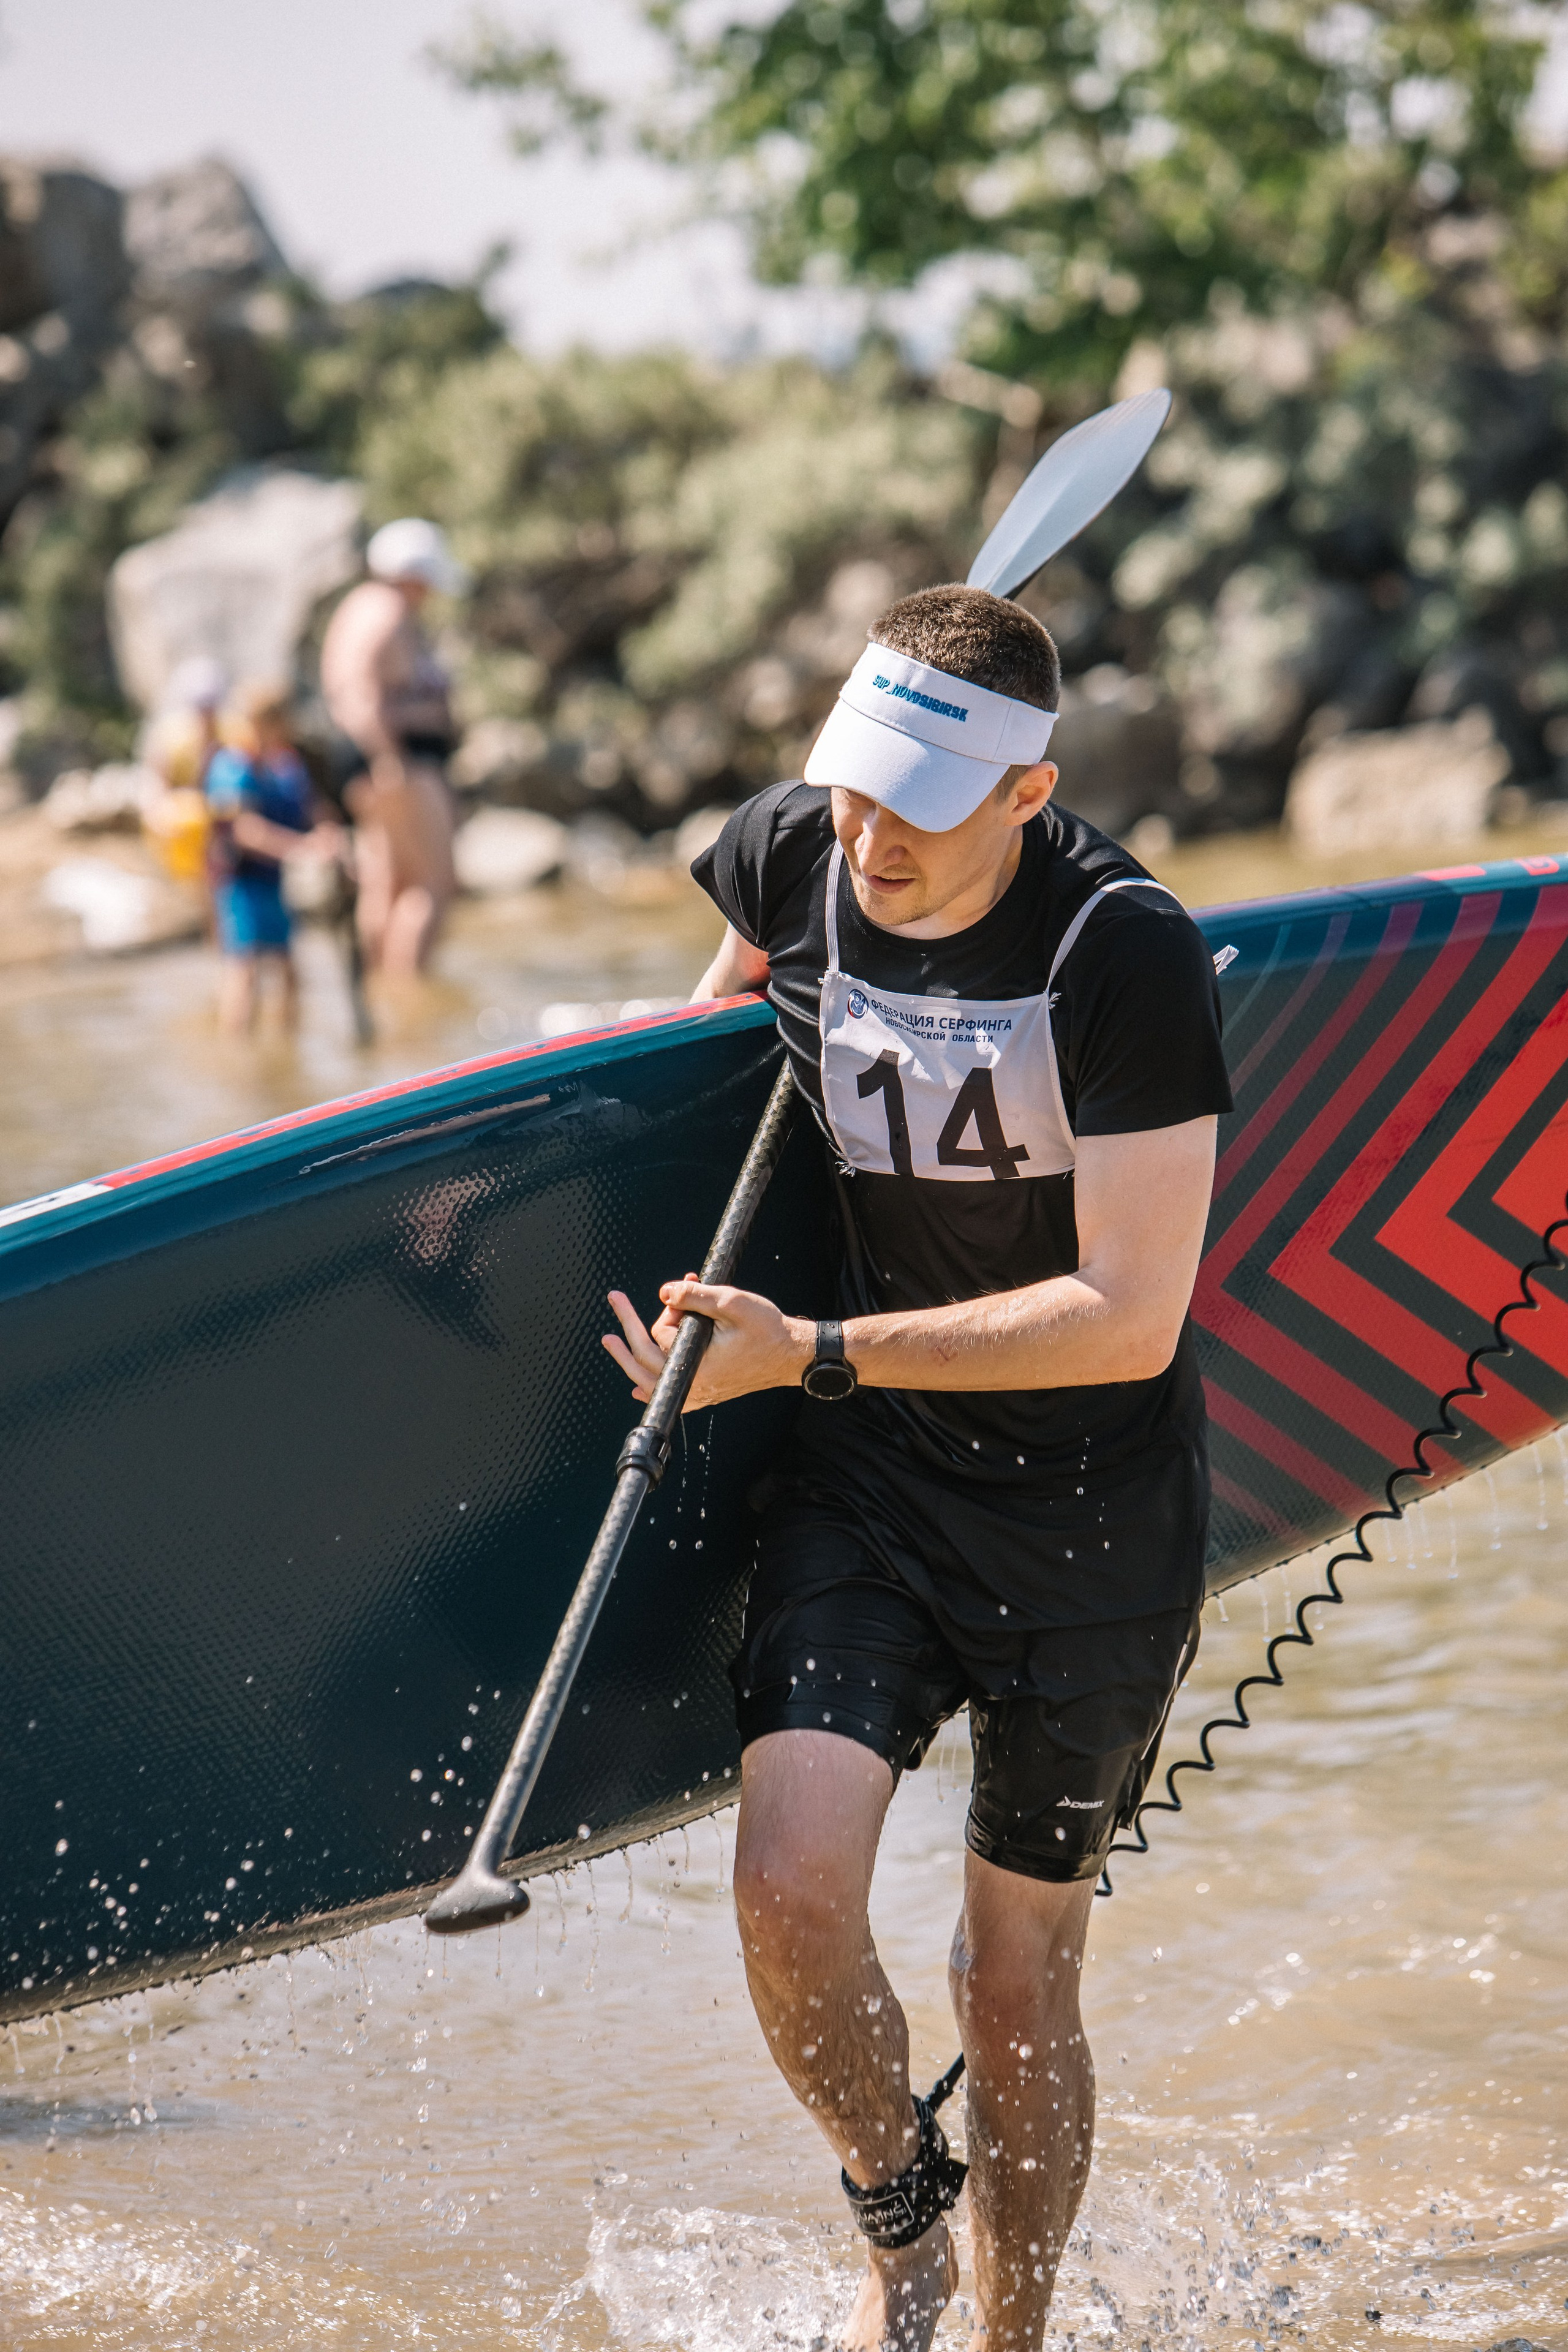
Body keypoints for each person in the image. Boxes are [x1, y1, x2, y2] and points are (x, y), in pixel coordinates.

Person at [603, 586, 1232, 2352]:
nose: (870, 841)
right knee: (790, 1894)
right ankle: (900, 2215)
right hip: (872, 1483)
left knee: (1013, 1990)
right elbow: (716, 1020)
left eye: (922, 806)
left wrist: (801, 1349)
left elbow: (1128, 1312)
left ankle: (1012, 2343)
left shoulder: (1123, 951)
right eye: (853, 788)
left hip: (1096, 1511)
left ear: (1031, 797)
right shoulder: (798, 850)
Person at [319, 516, 466, 978]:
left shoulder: (358, 607)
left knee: (388, 880)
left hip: (368, 761)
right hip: (400, 760)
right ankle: (410, 993)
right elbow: (360, 695)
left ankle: (383, 991)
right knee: (434, 883)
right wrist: (391, 760)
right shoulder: (387, 613)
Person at [205, 682, 344, 1035]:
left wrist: (328, 833)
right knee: (244, 971)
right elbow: (244, 830)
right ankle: (237, 1054)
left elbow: (315, 809)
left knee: (289, 971)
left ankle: (286, 1050)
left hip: (276, 883)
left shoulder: (288, 765)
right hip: (242, 884)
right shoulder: (231, 766)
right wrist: (301, 847)